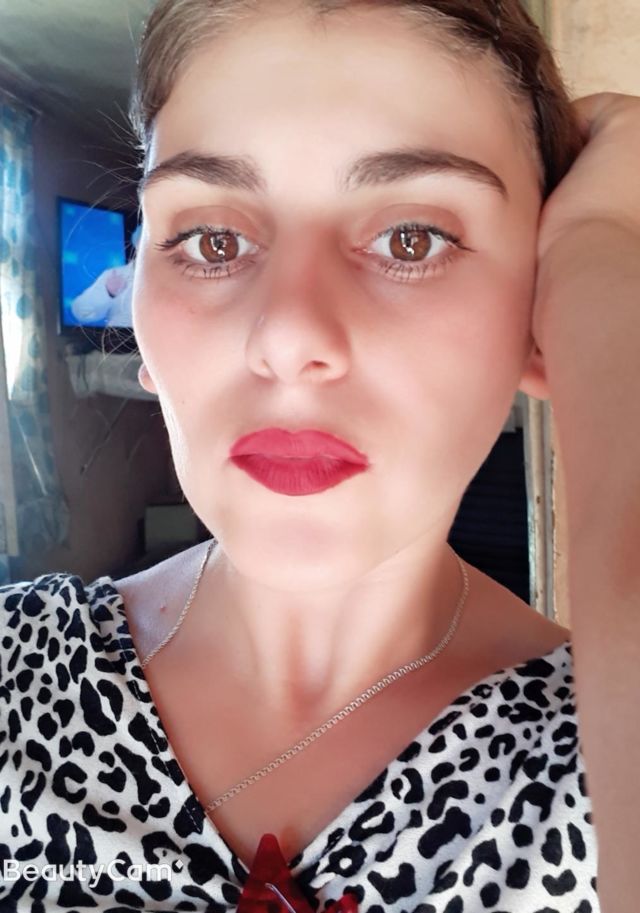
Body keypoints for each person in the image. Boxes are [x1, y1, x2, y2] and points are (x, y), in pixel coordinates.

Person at [1, 1, 638, 910]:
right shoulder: (14, 676)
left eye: (411, 238)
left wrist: (600, 262)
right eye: (214, 242)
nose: (289, 335)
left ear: (535, 315)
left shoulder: (597, 756)